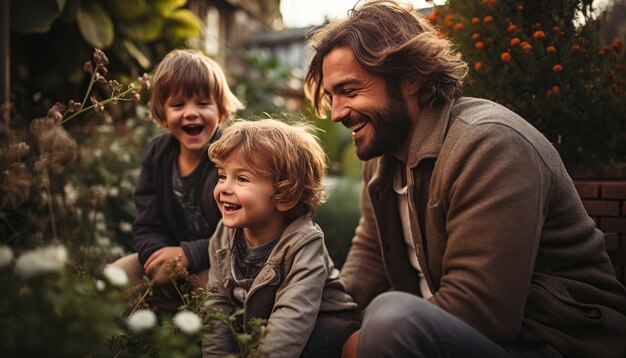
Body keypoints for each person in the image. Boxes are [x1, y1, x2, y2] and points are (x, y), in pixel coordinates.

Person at [303, 1, 626, 357]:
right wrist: (329, 326)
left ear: (409, 78)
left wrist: (357, 345)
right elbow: (370, 261)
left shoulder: (489, 145)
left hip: (554, 343)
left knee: (390, 320)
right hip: (457, 339)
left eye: (350, 91)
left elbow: (482, 311)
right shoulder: (382, 160)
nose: (335, 114)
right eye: (332, 97)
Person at [201, 119, 360, 357]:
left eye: (242, 179)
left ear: (285, 197)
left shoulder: (303, 243)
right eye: (223, 175)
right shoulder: (224, 236)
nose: (224, 187)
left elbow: (292, 319)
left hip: (322, 323)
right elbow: (217, 305)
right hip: (263, 323)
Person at [112, 49, 243, 310]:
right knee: (116, 275)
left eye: (203, 104)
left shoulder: (233, 156)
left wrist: (190, 255)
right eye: (178, 105)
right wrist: (156, 256)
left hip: (220, 263)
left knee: (209, 294)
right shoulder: (158, 155)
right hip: (172, 258)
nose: (191, 113)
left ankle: (209, 343)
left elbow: (243, 233)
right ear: (162, 114)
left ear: (221, 110)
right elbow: (147, 223)